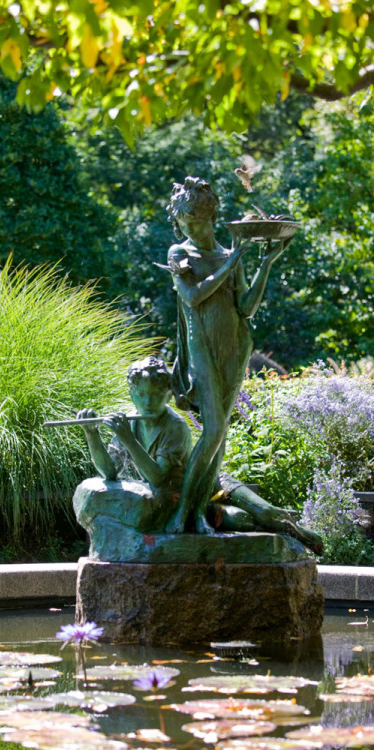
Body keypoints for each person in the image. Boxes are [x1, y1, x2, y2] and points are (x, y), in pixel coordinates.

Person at [164, 176, 291, 534]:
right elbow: (192, 297)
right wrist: (231, 261)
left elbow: (246, 308)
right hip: (201, 346)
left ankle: (199, 518)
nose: (190, 229)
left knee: (219, 439)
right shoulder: (180, 254)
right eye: (184, 223)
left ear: (212, 219)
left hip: (235, 347)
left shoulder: (227, 255)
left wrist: (266, 263)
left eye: (197, 222)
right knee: (214, 428)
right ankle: (181, 515)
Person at [75, 356, 192, 532]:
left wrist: (129, 439)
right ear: (131, 394)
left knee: (135, 505)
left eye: (155, 395)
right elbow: (109, 471)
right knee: (91, 491)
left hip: (174, 500)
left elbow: (158, 478)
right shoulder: (131, 422)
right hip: (149, 494)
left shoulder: (175, 427)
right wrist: (92, 434)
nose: (147, 402)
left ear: (168, 396)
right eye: (141, 394)